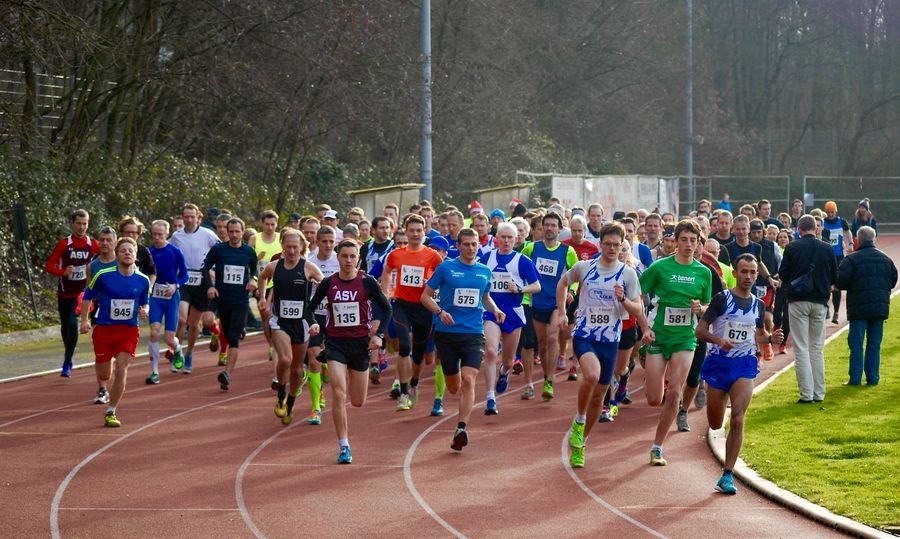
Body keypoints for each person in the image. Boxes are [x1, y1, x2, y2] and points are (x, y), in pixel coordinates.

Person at [560, 222, 648, 468]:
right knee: (591, 375)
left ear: (622, 246)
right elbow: (562, 283)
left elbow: (637, 308)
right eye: (607, 244)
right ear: (600, 244)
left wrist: (623, 299)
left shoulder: (628, 274)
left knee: (599, 397)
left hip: (610, 339)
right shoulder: (584, 267)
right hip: (585, 333)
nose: (611, 248)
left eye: (616, 245)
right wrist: (562, 312)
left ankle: (581, 443)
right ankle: (579, 419)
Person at [695, 254, 783, 494]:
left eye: (753, 272)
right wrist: (718, 340)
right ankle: (716, 410)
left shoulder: (758, 304)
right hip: (718, 364)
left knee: (738, 419)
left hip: (744, 364)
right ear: (735, 273)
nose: (748, 276)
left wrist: (770, 339)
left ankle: (727, 475)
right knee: (715, 423)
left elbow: (759, 334)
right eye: (744, 271)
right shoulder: (721, 299)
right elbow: (700, 330)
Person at [307, 240, 391, 463]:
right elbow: (309, 308)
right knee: (338, 393)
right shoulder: (328, 283)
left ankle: (343, 377)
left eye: (352, 256)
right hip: (335, 343)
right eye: (344, 256)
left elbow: (386, 309)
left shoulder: (367, 282)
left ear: (358, 259)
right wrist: (313, 322)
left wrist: (378, 335)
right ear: (338, 258)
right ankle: (344, 445)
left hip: (360, 345)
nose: (348, 260)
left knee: (358, 401)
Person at [421, 228, 505, 452]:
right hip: (447, 333)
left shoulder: (484, 271)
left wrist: (495, 310)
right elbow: (425, 296)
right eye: (466, 244)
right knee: (453, 386)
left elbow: (485, 297)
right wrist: (440, 312)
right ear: (457, 246)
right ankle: (453, 385)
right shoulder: (446, 268)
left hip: (473, 332)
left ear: (479, 245)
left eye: (474, 244)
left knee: (469, 379)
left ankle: (461, 429)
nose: (470, 248)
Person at [639, 219, 712, 466]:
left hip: (685, 338)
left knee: (674, 392)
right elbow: (637, 294)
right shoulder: (660, 267)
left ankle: (657, 447)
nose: (688, 245)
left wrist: (700, 308)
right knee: (653, 398)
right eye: (684, 240)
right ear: (675, 241)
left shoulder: (703, 272)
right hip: (658, 336)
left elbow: (707, 305)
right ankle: (646, 361)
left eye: (693, 240)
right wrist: (644, 326)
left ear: (698, 243)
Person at [79, 237, 151, 427]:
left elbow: (145, 302)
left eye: (130, 250)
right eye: (123, 250)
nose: (127, 253)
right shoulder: (103, 275)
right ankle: (104, 378)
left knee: (121, 369)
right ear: (117, 255)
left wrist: (145, 310)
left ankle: (111, 411)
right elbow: (87, 295)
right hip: (104, 329)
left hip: (128, 330)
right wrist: (84, 320)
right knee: (105, 375)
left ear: (135, 255)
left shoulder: (143, 280)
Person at [257, 229, 324, 425]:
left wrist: (318, 295)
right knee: (285, 359)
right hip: (279, 321)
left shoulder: (308, 267)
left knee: (296, 369)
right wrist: (262, 298)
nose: (292, 251)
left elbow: (325, 285)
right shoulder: (274, 266)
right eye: (288, 247)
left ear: (302, 247)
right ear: (282, 246)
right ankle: (281, 394)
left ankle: (291, 402)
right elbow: (262, 277)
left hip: (301, 323)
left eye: (295, 247)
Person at [380, 214, 444, 411]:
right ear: (405, 232)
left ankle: (414, 383)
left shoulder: (432, 255)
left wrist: (431, 284)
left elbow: (443, 276)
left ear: (424, 232)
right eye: (412, 231)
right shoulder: (396, 254)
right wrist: (386, 293)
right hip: (401, 305)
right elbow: (386, 272)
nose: (415, 234)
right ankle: (403, 392)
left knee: (418, 354)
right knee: (404, 346)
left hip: (423, 307)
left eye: (419, 230)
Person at [480, 222, 541, 415]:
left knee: (508, 361)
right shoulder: (486, 258)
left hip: (513, 313)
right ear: (497, 238)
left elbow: (537, 286)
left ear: (516, 239)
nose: (506, 241)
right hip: (491, 311)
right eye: (503, 237)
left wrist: (520, 289)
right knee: (491, 351)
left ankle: (504, 372)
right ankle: (490, 397)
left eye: (510, 238)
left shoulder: (522, 261)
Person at [778, 215, 837, 403]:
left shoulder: (792, 247)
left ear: (799, 230)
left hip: (797, 300)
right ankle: (819, 394)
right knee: (817, 348)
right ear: (816, 228)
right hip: (820, 301)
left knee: (801, 348)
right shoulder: (827, 248)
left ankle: (806, 395)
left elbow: (783, 274)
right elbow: (834, 276)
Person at [521, 212, 578, 401]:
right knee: (542, 344)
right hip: (535, 301)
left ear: (560, 229)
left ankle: (550, 381)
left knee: (553, 338)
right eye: (547, 225)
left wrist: (572, 291)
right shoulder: (531, 248)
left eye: (553, 225)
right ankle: (546, 376)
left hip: (556, 302)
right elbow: (518, 267)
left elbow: (576, 275)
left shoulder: (568, 251)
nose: (549, 228)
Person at [836, 226, 897, 386]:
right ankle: (873, 378)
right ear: (874, 239)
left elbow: (841, 281)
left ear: (858, 240)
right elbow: (892, 281)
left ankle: (855, 378)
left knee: (856, 344)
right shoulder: (886, 260)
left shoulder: (851, 260)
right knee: (874, 344)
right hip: (879, 307)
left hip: (858, 308)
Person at [202, 217, 258, 391]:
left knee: (233, 337)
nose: (234, 235)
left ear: (243, 232)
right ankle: (217, 333)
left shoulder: (249, 252)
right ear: (226, 231)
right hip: (221, 298)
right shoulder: (218, 250)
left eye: (237, 231)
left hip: (240, 300)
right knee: (210, 323)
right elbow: (204, 268)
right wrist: (210, 286)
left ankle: (227, 374)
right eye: (231, 231)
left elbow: (255, 270)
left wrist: (253, 279)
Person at [45, 209, 100, 377]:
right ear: (72, 224)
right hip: (64, 292)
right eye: (78, 223)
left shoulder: (93, 244)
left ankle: (67, 362)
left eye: (85, 224)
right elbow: (49, 266)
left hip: (83, 293)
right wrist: (63, 272)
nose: (82, 227)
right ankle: (68, 352)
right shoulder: (64, 244)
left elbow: (106, 257)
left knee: (71, 322)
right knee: (65, 326)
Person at [170, 203, 223, 373]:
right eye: (186, 216)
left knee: (193, 324)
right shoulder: (176, 236)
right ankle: (177, 353)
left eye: (192, 216)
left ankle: (189, 354)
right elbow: (169, 254)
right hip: (184, 279)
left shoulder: (207, 234)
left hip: (202, 280)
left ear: (198, 218)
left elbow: (220, 250)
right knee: (181, 319)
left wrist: (214, 270)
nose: (189, 220)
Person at [304, 225, 341, 424]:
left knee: (335, 361)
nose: (328, 245)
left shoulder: (341, 260)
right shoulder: (309, 261)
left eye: (331, 241)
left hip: (336, 316)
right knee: (313, 358)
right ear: (317, 242)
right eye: (324, 241)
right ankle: (316, 407)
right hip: (316, 315)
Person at [146, 220, 189, 384]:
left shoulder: (175, 252)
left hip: (171, 297)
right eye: (154, 235)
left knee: (169, 338)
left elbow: (184, 275)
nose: (157, 238)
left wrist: (175, 285)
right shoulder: (148, 253)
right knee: (154, 332)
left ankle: (177, 349)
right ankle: (154, 371)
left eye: (160, 235)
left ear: (167, 234)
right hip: (155, 297)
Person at [822, 201, 852, 324]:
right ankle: (826, 308)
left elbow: (848, 232)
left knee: (837, 285)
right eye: (828, 212)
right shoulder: (822, 222)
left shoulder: (842, 222)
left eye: (832, 212)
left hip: (838, 256)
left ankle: (836, 312)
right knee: (825, 283)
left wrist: (850, 243)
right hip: (826, 256)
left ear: (836, 211)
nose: (830, 214)